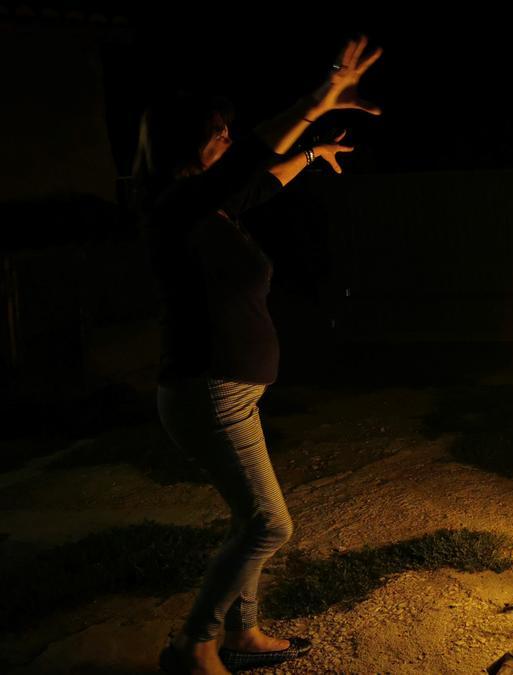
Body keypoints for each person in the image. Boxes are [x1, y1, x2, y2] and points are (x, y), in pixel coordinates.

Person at [133, 37, 382, 674]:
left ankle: (242, 633)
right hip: (207, 389)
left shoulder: (205, 208)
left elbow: (260, 180)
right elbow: (250, 160)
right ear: (184, 142)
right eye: (215, 131)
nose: (226, 136)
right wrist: (317, 101)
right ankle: (195, 643)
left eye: (226, 129)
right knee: (270, 525)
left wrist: (312, 152)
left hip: (223, 389)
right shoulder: (177, 206)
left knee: (251, 518)